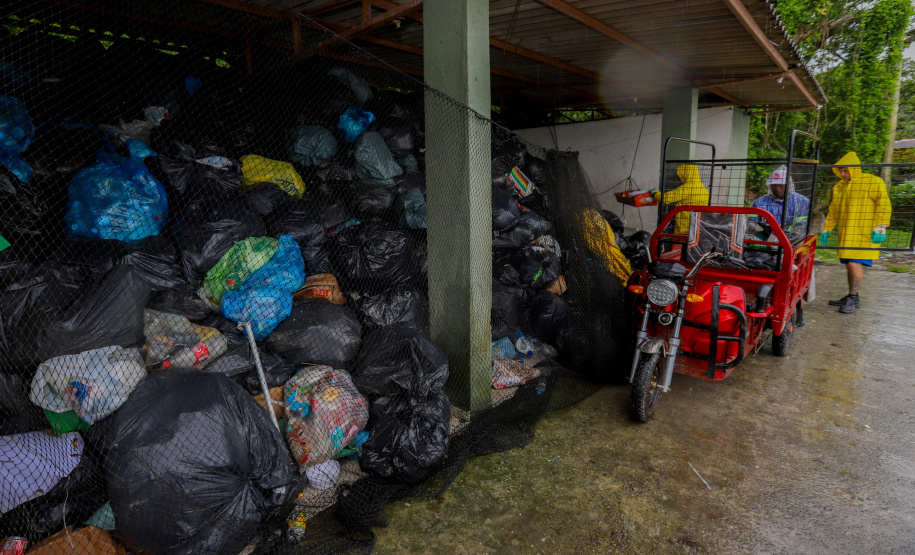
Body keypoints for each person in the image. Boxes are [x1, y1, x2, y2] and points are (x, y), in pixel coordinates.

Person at [819, 152, 892, 314]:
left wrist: (881, 226)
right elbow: (834, 211)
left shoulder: (872, 182)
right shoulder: (839, 187)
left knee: (853, 263)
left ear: (854, 168)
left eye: (845, 170)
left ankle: (852, 297)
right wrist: (827, 229)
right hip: (846, 233)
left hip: (865, 233)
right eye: (841, 171)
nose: (843, 174)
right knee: (848, 264)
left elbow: (884, 204)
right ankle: (853, 296)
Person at [749, 165, 811, 242]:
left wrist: (790, 238)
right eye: (774, 186)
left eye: (781, 186)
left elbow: (803, 225)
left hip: (793, 239)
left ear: (789, 186)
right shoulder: (759, 203)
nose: (777, 189)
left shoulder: (802, 201)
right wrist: (762, 229)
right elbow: (751, 224)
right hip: (765, 238)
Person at [651, 164, 710, 235]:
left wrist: (654, 193)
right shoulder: (704, 190)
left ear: (686, 174)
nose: (680, 180)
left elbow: (665, 199)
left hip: (684, 229)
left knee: (680, 245)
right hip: (696, 229)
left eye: (680, 177)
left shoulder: (688, 188)